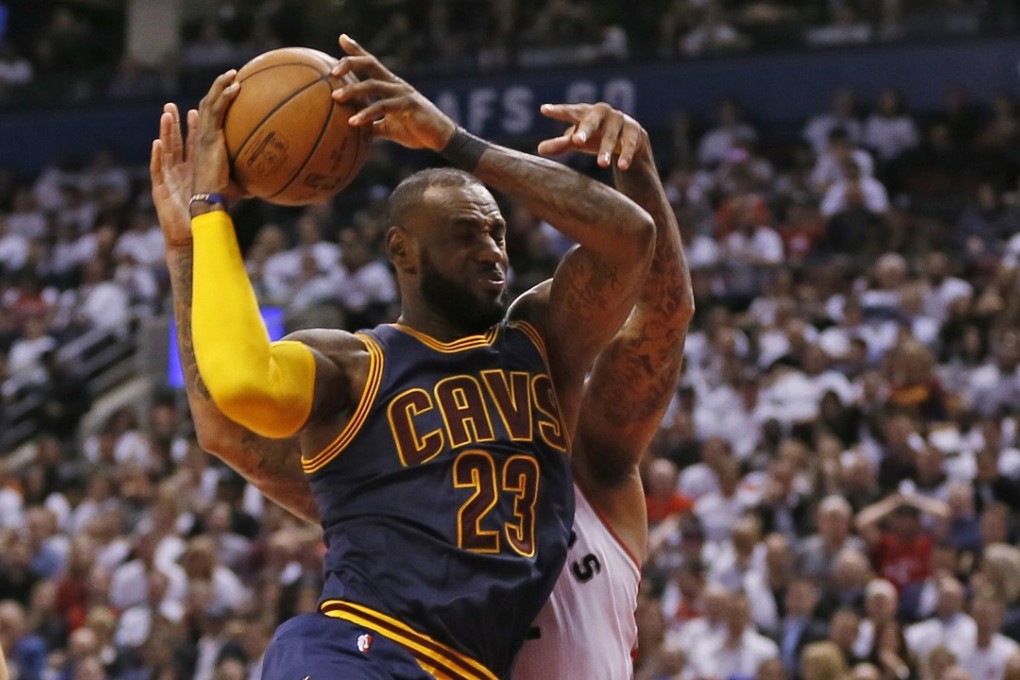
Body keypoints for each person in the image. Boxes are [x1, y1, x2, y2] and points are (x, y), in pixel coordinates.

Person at [152, 33, 655, 680]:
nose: (492, 250)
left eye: (498, 232)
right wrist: (199, 227)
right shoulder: (354, 367)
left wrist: (451, 139)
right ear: (402, 251)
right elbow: (238, 397)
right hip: (361, 650)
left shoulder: (537, 340)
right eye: (465, 233)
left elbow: (630, 239)